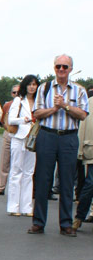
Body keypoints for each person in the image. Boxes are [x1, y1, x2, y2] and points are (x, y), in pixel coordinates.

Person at [29, 54, 89, 236]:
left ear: (70, 69)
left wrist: (65, 106)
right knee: (42, 180)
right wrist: (53, 109)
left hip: (69, 138)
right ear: (54, 68)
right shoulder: (44, 88)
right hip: (47, 135)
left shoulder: (79, 91)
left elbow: (83, 114)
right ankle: (38, 222)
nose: (61, 70)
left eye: (65, 67)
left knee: (67, 181)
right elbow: (37, 113)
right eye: (58, 66)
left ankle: (66, 223)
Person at [7, 75, 38, 216]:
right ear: (25, 86)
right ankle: (13, 207)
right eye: (30, 84)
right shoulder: (18, 100)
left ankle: (27, 207)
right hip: (19, 138)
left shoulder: (39, 102)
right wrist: (23, 120)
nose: (32, 87)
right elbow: (11, 119)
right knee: (16, 171)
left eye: (35, 84)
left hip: (32, 140)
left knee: (29, 173)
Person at [73, 87, 93, 231]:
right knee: (90, 184)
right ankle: (79, 217)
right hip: (91, 149)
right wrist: (80, 151)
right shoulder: (90, 102)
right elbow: (83, 125)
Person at [0, 84, 20, 195]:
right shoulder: (7, 105)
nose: (16, 94)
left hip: (20, 135)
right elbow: (2, 119)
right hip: (8, 134)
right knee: (5, 161)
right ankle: (0, 187)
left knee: (19, 164)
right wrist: (7, 129)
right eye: (14, 92)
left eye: (18, 92)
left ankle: (18, 189)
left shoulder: (25, 105)